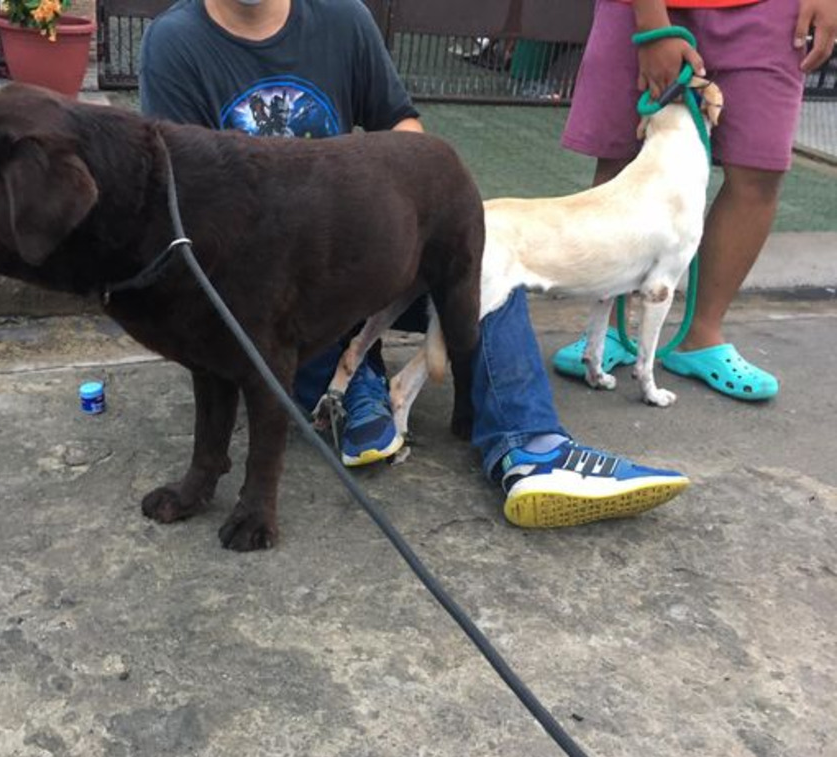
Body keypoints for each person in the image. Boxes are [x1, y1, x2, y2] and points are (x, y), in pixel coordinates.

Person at [140, 0, 690, 528]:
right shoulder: (176, 42)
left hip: (356, 255)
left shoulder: (343, 18)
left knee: (486, 267)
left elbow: (403, 128)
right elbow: (182, 200)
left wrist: (416, 231)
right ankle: (357, 383)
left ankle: (530, 445)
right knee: (274, 326)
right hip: (264, 291)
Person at [557, 0, 836, 401]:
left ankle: (702, 336)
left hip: (771, 11)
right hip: (642, 7)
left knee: (759, 169)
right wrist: (652, 24)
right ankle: (607, 331)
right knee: (621, 154)